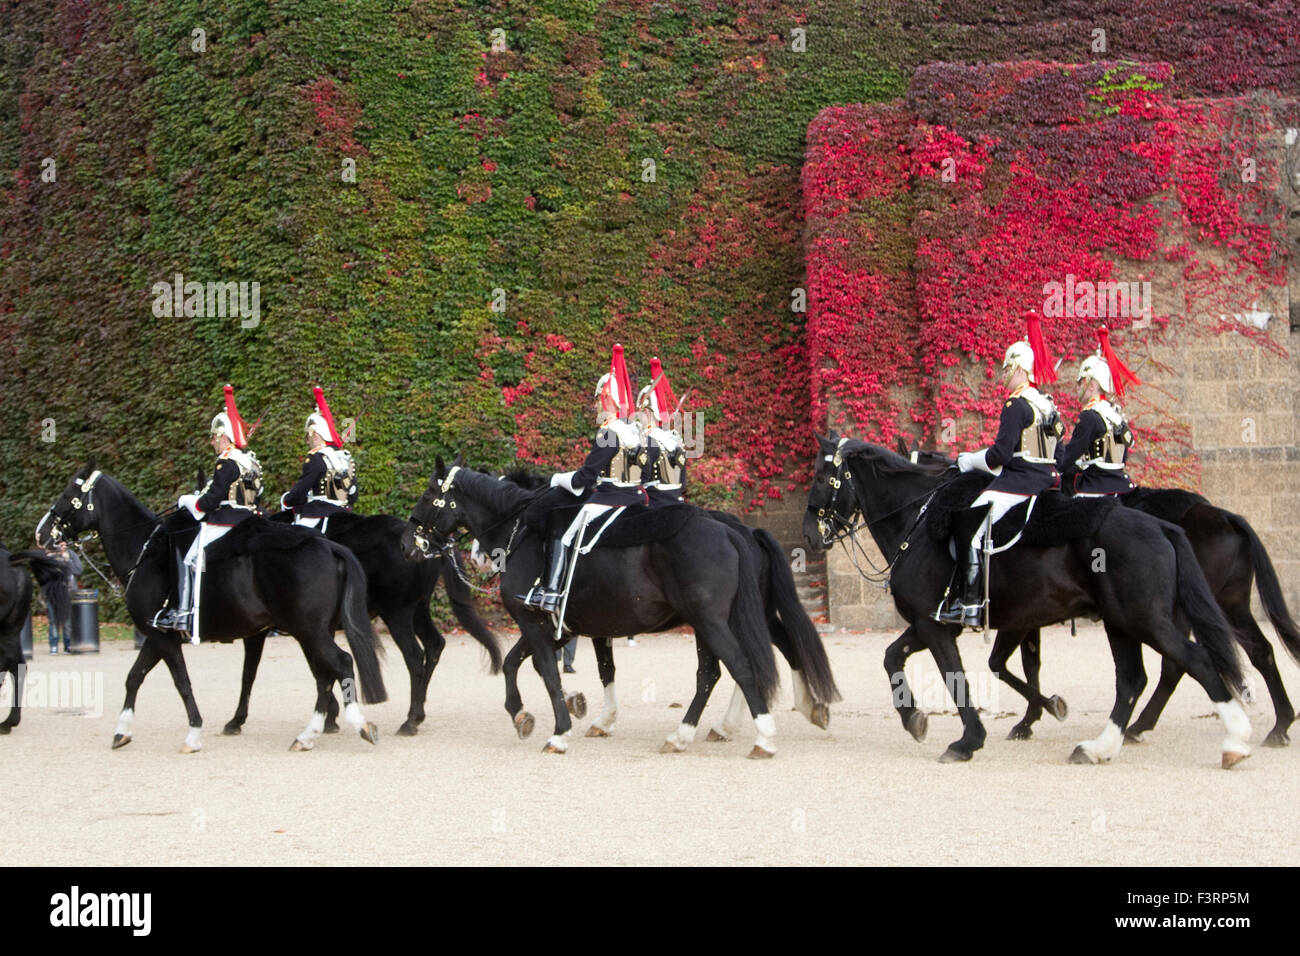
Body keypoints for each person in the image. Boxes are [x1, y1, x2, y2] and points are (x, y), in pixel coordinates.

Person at [939, 312, 1064, 628]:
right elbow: (1059, 453)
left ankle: (968, 604)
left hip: (1018, 484)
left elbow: (999, 456)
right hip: (1047, 483)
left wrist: (969, 460)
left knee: (969, 526)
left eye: (1007, 368)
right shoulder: (1048, 405)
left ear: (1021, 369)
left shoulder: (1015, 404)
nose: (1003, 374)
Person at [520, 344, 647, 613]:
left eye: (598, 399)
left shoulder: (608, 432)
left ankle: (552, 593)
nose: (596, 405)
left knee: (561, 534)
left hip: (608, 499)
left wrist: (557, 478)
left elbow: (583, 479)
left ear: (606, 398)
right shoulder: (634, 432)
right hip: (634, 499)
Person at [153, 385, 262, 642]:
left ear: (224, 437)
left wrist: (187, 500)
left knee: (190, 558)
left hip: (226, 522)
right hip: (251, 519)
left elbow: (209, 503)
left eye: (214, 437)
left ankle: (183, 613)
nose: (212, 442)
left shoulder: (226, 461)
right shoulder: (250, 460)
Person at [1056, 326, 1140, 498]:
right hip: (1121, 485)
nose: (1078, 387)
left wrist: (1049, 468)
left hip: (1095, 487)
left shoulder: (1090, 415)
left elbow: (1069, 456)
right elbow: (1123, 457)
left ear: (1091, 385)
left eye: (1080, 383)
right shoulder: (1115, 413)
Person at [281, 386, 357, 531]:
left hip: (318, 514)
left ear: (314, 434)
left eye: (307, 437)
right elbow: (353, 496)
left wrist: (287, 500)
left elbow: (300, 491)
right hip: (343, 513)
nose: (307, 441)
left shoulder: (316, 458)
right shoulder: (345, 457)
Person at [641, 357, 688, 507]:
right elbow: (683, 483)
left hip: (655, 506)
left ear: (647, 413)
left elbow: (639, 482)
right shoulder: (675, 439)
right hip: (677, 501)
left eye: (639, 413)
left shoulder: (647, 441)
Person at [44, 541, 81, 654]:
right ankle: (53, 645)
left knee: (67, 621)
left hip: (67, 593)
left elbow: (79, 570)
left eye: (64, 545)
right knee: (53, 621)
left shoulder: (71, 555)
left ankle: (68, 645)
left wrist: (68, 561)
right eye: (60, 545)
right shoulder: (51, 556)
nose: (62, 547)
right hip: (54, 593)